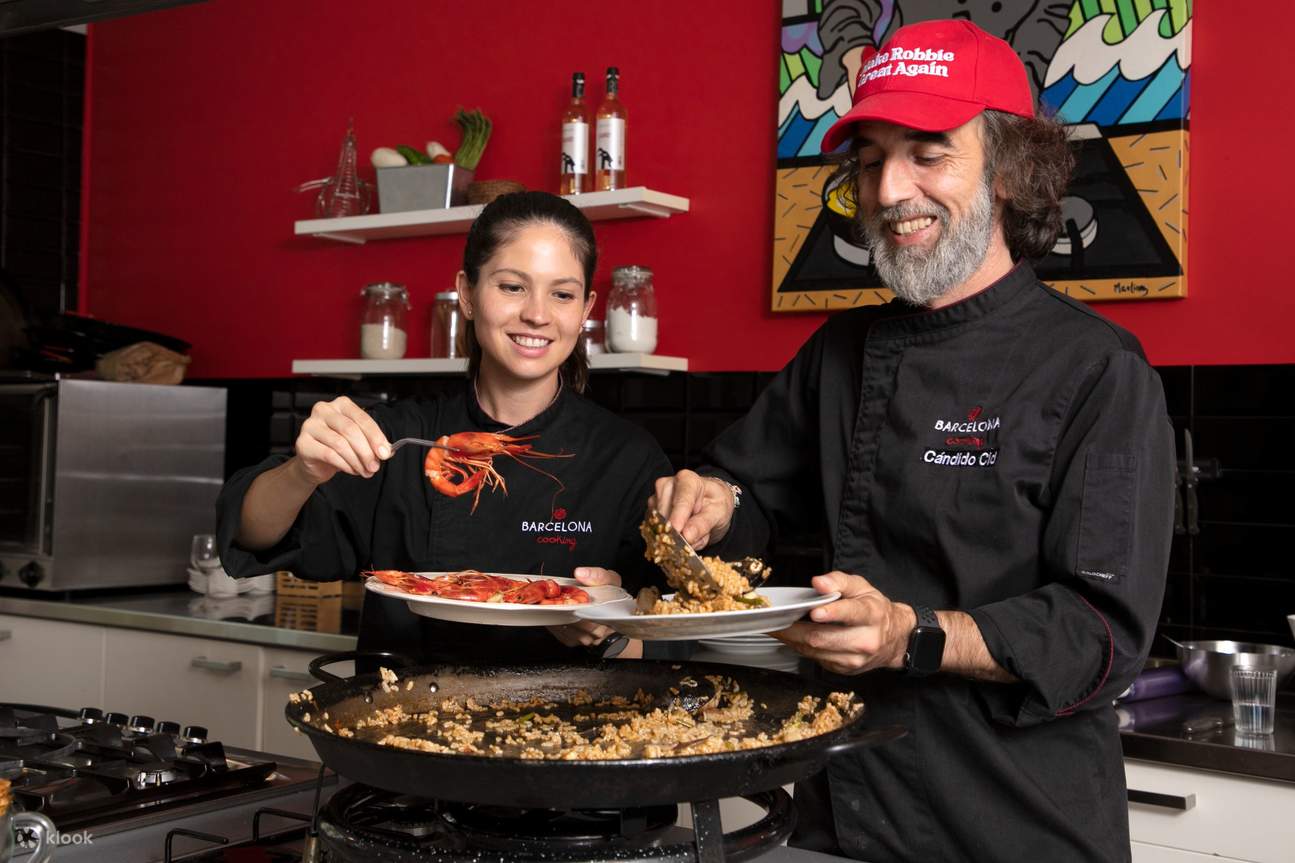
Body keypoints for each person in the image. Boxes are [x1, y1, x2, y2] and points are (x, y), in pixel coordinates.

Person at [655, 20, 1173, 863]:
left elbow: (1098, 632)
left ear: (1009, 170)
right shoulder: (840, 350)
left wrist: (911, 634)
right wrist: (710, 504)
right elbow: (748, 498)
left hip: (1015, 824)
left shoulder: (1094, 367)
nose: (890, 189)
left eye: (927, 153)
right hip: (841, 814)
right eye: (869, 160)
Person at [217, 191, 670, 664]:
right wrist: (301, 472)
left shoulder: (628, 456)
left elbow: (667, 637)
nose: (537, 313)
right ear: (468, 294)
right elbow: (253, 535)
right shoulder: (394, 437)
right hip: (403, 722)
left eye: (562, 294)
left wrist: (609, 630)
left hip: (573, 731)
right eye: (512, 286)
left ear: (585, 309)